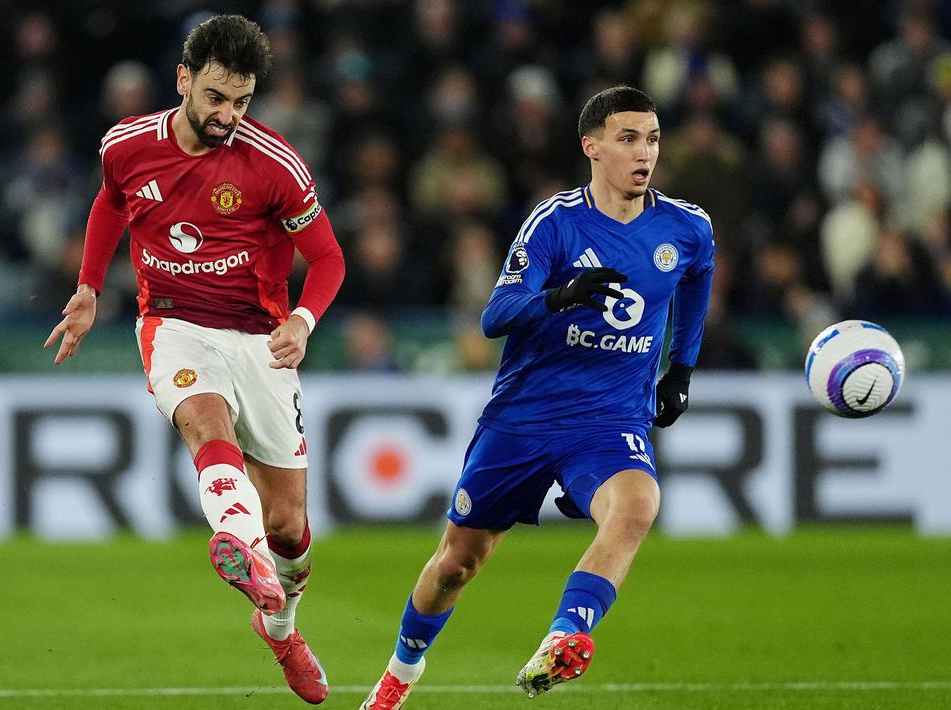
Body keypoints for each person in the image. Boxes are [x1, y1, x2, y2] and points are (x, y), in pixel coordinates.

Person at [360, 85, 715, 708]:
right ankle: (399, 674)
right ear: (593, 147)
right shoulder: (556, 221)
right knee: (456, 564)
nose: (645, 153)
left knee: (637, 505)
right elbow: (494, 316)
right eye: (628, 138)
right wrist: (561, 295)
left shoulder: (686, 228)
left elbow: (698, 279)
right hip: (525, 416)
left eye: (653, 139)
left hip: (609, 419)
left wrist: (680, 369)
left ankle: (567, 635)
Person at [43, 15, 343, 705]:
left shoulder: (275, 164)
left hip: (260, 337)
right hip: (174, 323)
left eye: (241, 101)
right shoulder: (126, 146)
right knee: (206, 425)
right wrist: (89, 289)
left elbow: (326, 257)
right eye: (215, 97)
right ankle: (237, 549)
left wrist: (303, 318)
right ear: (183, 79)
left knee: (290, 527)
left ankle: (280, 625)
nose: (227, 115)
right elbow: (110, 203)